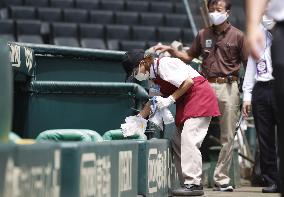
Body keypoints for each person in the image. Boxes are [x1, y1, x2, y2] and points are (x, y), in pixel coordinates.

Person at [154, 0, 248, 191]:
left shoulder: (238, 36)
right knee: (190, 134)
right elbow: (188, 57)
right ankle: (193, 179)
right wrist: (173, 51)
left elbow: (248, 63)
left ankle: (221, 179)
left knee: (227, 136)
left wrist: (248, 94)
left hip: (228, 87)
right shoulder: (203, 34)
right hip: (203, 86)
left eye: (218, 9)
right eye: (211, 9)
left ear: (228, 12)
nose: (214, 12)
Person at [122, 49, 220, 196]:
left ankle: (193, 184)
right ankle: (187, 183)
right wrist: (138, 120)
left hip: (199, 97)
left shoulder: (164, 64)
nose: (136, 75)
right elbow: (153, 101)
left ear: (143, 63)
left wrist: (170, 99)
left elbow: (188, 82)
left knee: (189, 139)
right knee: (177, 141)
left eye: (136, 70)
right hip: (187, 102)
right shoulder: (154, 78)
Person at [246, 0, 284, 194]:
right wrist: (247, 95)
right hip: (261, 88)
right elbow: (251, 66)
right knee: (265, 138)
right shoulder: (258, 31)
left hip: (279, 83)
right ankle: (272, 180)